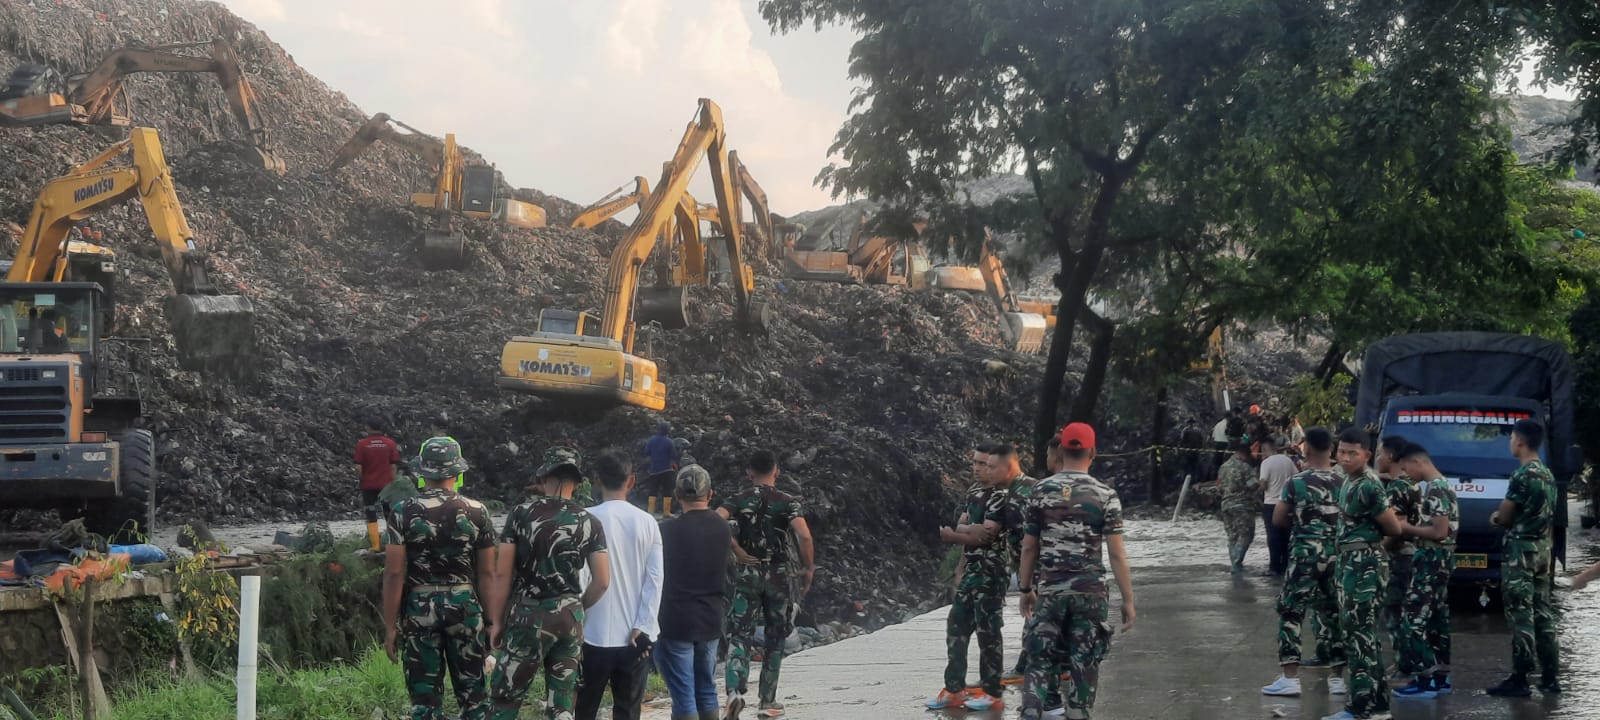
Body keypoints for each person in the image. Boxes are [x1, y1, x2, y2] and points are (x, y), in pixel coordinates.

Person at [1017, 423, 1135, 720]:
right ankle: (1078, 710)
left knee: (1040, 653)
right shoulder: (1105, 495)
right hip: (1090, 592)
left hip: (1051, 590)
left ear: (1062, 450)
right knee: (1084, 656)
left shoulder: (1039, 491)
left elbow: (1029, 547)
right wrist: (1128, 600)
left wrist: (1025, 589)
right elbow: (1117, 554)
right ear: (1093, 451)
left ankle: (1031, 707)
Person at [487, 448, 612, 720]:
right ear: (578, 483)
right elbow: (602, 581)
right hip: (569, 618)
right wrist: (577, 605)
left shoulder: (521, 515)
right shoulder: (590, 522)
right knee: (562, 705)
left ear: (543, 477)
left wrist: (496, 621)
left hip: (527, 617)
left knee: (505, 700)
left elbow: (501, 574)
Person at [380, 437, 496, 720]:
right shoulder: (478, 511)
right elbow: (487, 573)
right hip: (465, 605)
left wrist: (390, 626)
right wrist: (492, 622)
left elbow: (395, 573)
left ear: (422, 473)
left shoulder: (402, 512)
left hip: (420, 609)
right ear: (457, 474)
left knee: (425, 702)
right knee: (474, 699)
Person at [718, 449, 816, 719]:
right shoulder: (787, 502)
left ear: (749, 473)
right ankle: (767, 701)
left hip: (747, 573)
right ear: (777, 471)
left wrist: (736, 548)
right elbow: (804, 536)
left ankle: (734, 693)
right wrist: (808, 568)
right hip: (779, 577)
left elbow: (716, 521)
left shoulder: (738, 499)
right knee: (775, 637)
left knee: (740, 634)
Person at [575, 451, 663, 720]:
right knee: (627, 710)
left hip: (590, 635)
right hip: (633, 637)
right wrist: (645, 625)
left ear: (596, 481)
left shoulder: (584, 518)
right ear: (632, 481)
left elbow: (579, 577)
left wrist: (576, 622)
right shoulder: (647, 522)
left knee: (585, 709)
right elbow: (655, 578)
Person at [1261, 427, 1346, 698]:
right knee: (1334, 613)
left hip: (1304, 554)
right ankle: (1338, 679)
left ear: (1305, 449)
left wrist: (1302, 524)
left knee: (1292, 612)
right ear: (1332, 450)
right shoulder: (1344, 482)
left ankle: (1290, 678)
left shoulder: (1297, 482)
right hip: (1335, 554)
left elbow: (1277, 520)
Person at [928, 443, 1012, 712]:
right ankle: (954, 688)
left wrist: (957, 533)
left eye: (984, 464)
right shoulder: (973, 493)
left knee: (988, 633)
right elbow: (970, 533)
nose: (978, 468)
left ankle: (992, 691)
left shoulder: (1002, 495)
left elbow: (985, 535)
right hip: (972, 570)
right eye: (975, 463)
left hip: (992, 571)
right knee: (957, 625)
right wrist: (960, 568)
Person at [1323, 427, 1400, 720]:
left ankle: (1359, 707)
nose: (1344, 458)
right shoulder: (1347, 482)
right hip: (1349, 563)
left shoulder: (1369, 485)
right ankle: (1378, 706)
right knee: (1362, 635)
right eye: (1341, 451)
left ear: (1366, 454)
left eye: (1352, 453)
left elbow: (1393, 528)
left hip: (1363, 565)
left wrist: (1369, 551)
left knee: (1358, 637)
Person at [1485, 419, 1561, 697]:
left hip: (1520, 552)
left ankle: (1520, 677)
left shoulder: (1522, 475)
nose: (1510, 443)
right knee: (1543, 614)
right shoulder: (1547, 474)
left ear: (1519, 441)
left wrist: (1495, 517)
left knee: (1520, 615)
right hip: (1542, 550)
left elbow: (1505, 516)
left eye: (1511, 438)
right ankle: (1551, 677)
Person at [657, 465, 731, 720]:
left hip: (676, 621)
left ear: (677, 495)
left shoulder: (666, 531)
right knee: (707, 688)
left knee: (683, 694)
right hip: (710, 619)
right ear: (710, 494)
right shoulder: (723, 528)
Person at [1391, 443, 1458, 699]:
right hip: (1440, 560)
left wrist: (1406, 528)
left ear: (1417, 461)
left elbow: (1440, 532)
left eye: (1406, 467)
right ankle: (1441, 677)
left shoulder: (1436, 489)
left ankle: (1425, 678)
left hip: (1431, 559)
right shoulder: (1444, 485)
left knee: (1413, 618)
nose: (1407, 473)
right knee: (1437, 621)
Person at [1375, 435, 1419, 683]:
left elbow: (1396, 530)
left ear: (1390, 456)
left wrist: (1377, 550)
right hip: (1407, 556)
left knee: (1394, 613)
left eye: (1381, 452)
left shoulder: (1399, 488)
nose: (1378, 457)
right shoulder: (1408, 484)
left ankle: (1406, 666)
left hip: (1399, 557)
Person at [354, 419, 404, 552]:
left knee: (371, 514)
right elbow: (393, 466)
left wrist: (362, 479)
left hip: (369, 485)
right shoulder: (390, 443)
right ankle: (391, 544)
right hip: (386, 485)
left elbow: (358, 467)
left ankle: (375, 546)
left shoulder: (362, 444)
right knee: (389, 514)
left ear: (367, 427)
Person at [1217, 441, 1260, 574]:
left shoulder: (1223, 467)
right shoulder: (1245, 467)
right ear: (1245, 454)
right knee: (1247, 535)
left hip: (1226, 505)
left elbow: (1219, 488)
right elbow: (1253, 484)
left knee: (1232, 536)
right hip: (1243, 505)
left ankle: (1235, 565)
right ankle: (1236, 564)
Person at [1259, 437, 1297, 576]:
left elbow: (1263, 485)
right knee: (1286, 536)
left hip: (1271, 504)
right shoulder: (1288, 460)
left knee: (1273, 536)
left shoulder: (1266, 462)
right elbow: (1296, 477)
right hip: (1287, 503)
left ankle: (1274, 567)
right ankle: (1286, 566)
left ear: (1265, 450)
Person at [641, 421, 681, 516]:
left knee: (653, 490)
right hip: (666, 470)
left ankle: (650, 511)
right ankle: (666, 512)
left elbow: (646, 452)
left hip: (654, 470)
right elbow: (673, 456)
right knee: (667, 490)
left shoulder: (651, 440)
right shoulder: (669, 442)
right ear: (667, 431)